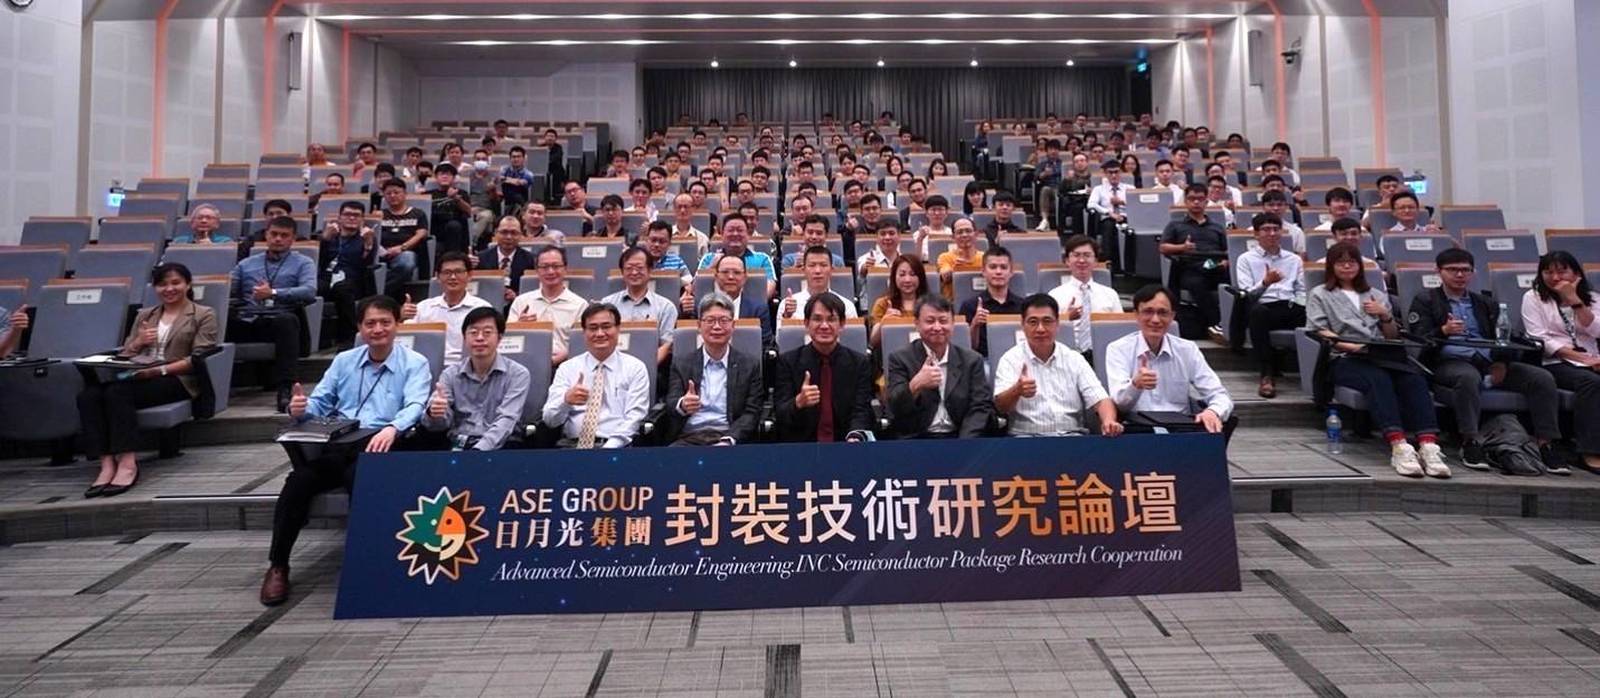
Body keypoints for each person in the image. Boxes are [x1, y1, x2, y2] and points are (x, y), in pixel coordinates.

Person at [264, 294, 432, 606]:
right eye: (370, 323)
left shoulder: (415, 363)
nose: (378, 329)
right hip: (341, 443)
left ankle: (364, 565)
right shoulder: (344, 361)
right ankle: (278, 565)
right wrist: (300, 409)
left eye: (385, 322)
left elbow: (415, 405)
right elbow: (319, 402)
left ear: (397, 324)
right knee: (298, 481)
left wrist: (392, 428)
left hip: (384, 444)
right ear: (359, 328)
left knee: (360, 477)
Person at [1410, 248, 1569, 474]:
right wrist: (1443, 330)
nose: (1459, 275)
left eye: (1465, 270)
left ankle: (1546, 443)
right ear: (1439, 271)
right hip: (1449, 360)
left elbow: (1503, 337)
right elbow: (1419, 337)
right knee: (1467, 377)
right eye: (1452, 270)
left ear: (1473, 273)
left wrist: (1502, 363)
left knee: (1541, 378)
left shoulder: (1484, 302)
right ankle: (1470, 441)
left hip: (1488, 360)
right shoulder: (1426, 300)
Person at [1306, 243, 1447, 477]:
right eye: (1341, 262)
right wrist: (1354, 347)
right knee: (1377, 379)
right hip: (1344, 357)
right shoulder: (1320, 294)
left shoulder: (1376, 294)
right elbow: (1320, 331)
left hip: (1382, 354)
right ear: (1331, 267)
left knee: (1414, 379)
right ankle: (1399, 445)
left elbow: (1391, 336)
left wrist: (1385, 315)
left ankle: (1428, 445)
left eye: (1352, 262)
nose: (1347, 266)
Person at [78, 263, 218, 499]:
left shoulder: (203, 314)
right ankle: (106, 463)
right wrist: (138, 342)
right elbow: (125, 353)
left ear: (188, 284)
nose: (169, 289)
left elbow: (197, 359)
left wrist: (157, 371)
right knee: (88, 396)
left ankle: (127, 462)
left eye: (175, 283)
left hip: (176, 378)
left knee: (116, 393)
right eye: (162, 284)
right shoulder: (145, 315)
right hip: (137, 375)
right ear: (155, 288)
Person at [1106, 285, 1238, 442]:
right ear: (1136, 315)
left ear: (1172, 316)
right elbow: (1119, 404)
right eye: (1148, 312)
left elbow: (1220, 395)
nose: (1155, 320)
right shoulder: (1118, 349)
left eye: (1163, 313)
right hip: (1137, 431)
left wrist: (1213, 412)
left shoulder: (1187, 350)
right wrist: (1135, 385)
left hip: (1180, 431)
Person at [994, 294, 1122, 437]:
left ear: (1057, 324)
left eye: (1047, 321)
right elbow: (1000, 407)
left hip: (1071, 437)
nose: (1040, 329)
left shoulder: (1074, 359)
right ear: (1023, 325)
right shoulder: (1010, 359)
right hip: (1026, 439)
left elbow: (1100, 399)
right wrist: (1017, 390)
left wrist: (1109, 421)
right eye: (1033, 322)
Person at [1521, 251, 1600, 473]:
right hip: (1554, 361)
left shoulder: (1592, 298)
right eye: (1548, 272)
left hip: (1592, 358)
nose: (1555, 277)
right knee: (1591, 382)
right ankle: (1589, 451)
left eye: (1562, 271)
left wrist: (1575, 301)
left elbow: (1596, 330)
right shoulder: (1533, 297)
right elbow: (1539, 338)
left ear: (1576, 273)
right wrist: (1582, 358)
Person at [229, 216, 317, 411]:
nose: (278, 239)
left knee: (287, 321)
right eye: (274, 234)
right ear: (266, 235)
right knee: (216, 319)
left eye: (284, 235)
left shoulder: (303, 263)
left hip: (279, 320)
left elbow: (309, 291)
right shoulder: (246, 264)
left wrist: (274, 293)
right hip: (248, 319)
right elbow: (228, 289)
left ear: (293, 239)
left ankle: (285, 389)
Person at [541, 303, 651, 449]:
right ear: (584, 332)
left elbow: (635, 417)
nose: (599, 333)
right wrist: (566, 401)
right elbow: (549, 420)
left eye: (606, 327)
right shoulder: (567, 368)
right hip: (571, 447)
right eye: (593, 328)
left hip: (616, 448)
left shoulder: (635, 368)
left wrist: (608, 449)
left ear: (618, 329)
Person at [421, 306, 530, 451]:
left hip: (501, 447)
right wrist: (434, 413)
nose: (479, 338)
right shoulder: (450, 374)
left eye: (487, 332)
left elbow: (507, 420)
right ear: (464, 338)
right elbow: (437, 425)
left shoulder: (518, 374)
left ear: (500, 338)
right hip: (458, 445)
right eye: (473, 332)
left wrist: (477, 451)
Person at [885, 295, 994, 438]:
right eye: (930, 321)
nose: (937, 327)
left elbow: (980, 407)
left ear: (953, 324)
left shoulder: (972, 360)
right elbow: (893, 409)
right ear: (917, 324)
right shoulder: (900, 358)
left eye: (943, 321)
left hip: (960, 438)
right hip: (916, 440)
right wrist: (915, 385)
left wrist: (965, 443)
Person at [661, 293, 764, 446]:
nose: (717, 327)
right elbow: (671, 402)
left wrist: (729, 440)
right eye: (710, 320)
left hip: (729, 438)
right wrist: (682, 404)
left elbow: (752, 412)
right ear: (699, 325)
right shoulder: (682, 363)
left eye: (723, 321)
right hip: (689, 438)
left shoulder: (749, 365)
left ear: (733, 326)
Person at [773, 293, 876, 442]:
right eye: (817, 319)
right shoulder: (788, 362)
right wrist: (798, 402)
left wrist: (855, 435)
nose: (824, 326)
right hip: (802, 447)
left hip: (846, 444)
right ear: (806, 324)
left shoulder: (859, 363)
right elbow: (780, 415)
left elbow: (861, 410)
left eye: (831, 319)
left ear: (842, 324)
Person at [1234, 213, 1306, 398]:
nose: (1272, 233)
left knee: (1313, 311)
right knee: (1258, 313)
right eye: (1266, 230)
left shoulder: (1294, 259)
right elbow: (1247, 295)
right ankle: (1266, 373)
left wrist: (1300, 304)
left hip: (1290, 306)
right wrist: (1266, 282)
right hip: (1263, 306)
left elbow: (1302, 290)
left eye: (1275, 229)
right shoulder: (1245, 259)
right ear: (1256, 234)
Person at [1161, 184, 1229, 340]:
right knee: (1196, 283)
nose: (1196, 202)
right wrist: (1182, 247)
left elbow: (1227, 251)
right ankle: (1217, 323)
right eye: (1192, 199)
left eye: (1200, 199)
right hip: (1191, 268)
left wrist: (1226, 262)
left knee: (1236, 285)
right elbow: (1163, 248)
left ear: (1206, 202)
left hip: (1216, 266)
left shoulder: (1217, 227)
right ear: (1186, 201)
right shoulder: (1175, 225)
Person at [401, 252, 491, 366]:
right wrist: (401, 318)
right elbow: (407, 343)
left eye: (458, 272)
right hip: (427, 367)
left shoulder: (482, 309)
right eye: (447, 272)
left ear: (469, 275)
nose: (453, 277)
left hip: (469, 367)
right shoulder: (423, 308)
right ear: (438, 277)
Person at [1047, 235, 1124, 362]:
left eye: (1087, 255)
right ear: (1067, 260)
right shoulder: (1055, 295)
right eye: (1076, 255)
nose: (1082, 260)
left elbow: (1119, 330)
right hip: (1067, 357)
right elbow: (1048, 330)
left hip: (1103, 355)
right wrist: (1066, 318)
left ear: (1096, 261)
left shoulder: (1110, 294)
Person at [508, 245, 588, 364]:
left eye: (556, 266)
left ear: (565, 269)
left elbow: (582, 343)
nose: (550, 271)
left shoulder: (580, 305)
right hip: (526, 363)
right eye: (544, 267)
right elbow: (508, 340)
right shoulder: (521, 301)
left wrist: (566, 355)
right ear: (537, 270)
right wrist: (519, 327)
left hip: (566, 364)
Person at [600, 247, 678, 366]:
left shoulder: (666, 307)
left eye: (639, 268)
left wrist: (644, 368)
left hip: (651, 367)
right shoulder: (607, 304)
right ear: (622, 272)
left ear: (650, 270)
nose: (634, 272)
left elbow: (667, 345)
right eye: (629, 268)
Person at [680, 252, 774, 349]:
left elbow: (765, 344)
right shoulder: (698, 306)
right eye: (725, 272)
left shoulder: (758, 309)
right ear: (716, 276)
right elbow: (687, 343)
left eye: (737, 273)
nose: (730, 277)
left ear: (745, 278)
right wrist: (684, 312)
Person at [319, 200, 378, 347]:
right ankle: (319, 339)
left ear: (362, 220)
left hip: (353, 280)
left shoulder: (366, 238)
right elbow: (317, 261)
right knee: (312, 288)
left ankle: (348, 339)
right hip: (326, 278)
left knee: (343, 289)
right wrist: (324, 240)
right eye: (347, 214)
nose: (352, 218)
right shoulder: (329, 236)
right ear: (339, 218)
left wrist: (368, 246)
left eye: (356, 215)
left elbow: (367, 267)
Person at [958, 246, 1026, 356]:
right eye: (993, 267)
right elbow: (966, 349)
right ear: (983, 271)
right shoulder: (970, 305)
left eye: (1003, 267)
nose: (998, 272)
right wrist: (975, 325)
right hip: (983, 360)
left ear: (1011, 272)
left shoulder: (1024, 306)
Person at [697, 214, 777, 298]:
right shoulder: (708, 258)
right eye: (731, 230)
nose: (735, 234)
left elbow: (769, 288)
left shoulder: (762, 259)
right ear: (722, 234)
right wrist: (711, 268)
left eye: (740, 230)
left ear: (748, 235)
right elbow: (696, 289)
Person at [779, 245, 858, 328]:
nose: (818, 271)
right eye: (812, 265)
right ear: (803, 270)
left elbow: (851, 335)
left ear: (831, 270)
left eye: (823, 265)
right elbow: (780, 336)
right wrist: (787, 317)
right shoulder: (787, 305)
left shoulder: (847, 306)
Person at [375, 178, 427, 300]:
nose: (392, 196)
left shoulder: (417, 213)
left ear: (405, 194)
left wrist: (402, 248)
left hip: (405, 252)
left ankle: (378, 293)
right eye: (388, 193)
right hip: (381, 253)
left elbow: (421, 234)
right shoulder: (379, 214)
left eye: (396, 192)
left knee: (407, 262)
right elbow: (373, 235)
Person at [870, 254, 929, 350]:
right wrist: (884, 323)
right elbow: (873, 342)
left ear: (920, 277)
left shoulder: (931, 304)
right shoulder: (883, 303)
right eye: (902, 275)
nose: (907, 280)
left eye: (912, 274)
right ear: (894, 277)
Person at [475, 215, 535, 304]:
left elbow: (532, 291)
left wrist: (517, 296)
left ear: (521, 235)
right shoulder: (480, 258)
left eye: (514, 233)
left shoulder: (531, 260)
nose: (508, 237)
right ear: (495, 233)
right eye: (504, 232)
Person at [428, 164, 472, 255]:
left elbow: (469, 211)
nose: (444, 176)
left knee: (454, 225)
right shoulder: (427, 195)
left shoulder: (461, 193)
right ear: (436, 177)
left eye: (448, 174)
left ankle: (453, 257)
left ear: (454, 178)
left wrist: (456, 199)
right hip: (435, 228)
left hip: (456, 230)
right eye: (441, 174)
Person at [936, 218, 984, 301]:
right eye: (959, 232)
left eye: (968, 231)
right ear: (953, 237)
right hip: (953, 303)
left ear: (976, 234)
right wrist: (955, 269)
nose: (964, 235)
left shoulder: (985, 258)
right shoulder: (945, 257)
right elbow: (945, 276)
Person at [640, 220, 692, 286]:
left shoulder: (676, 260)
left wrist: (674, 282)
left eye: (662, 241)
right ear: (646, 240)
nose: (656, 245)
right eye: (653, 240)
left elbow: (689, 278)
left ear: (669, 244)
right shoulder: (638, 260)